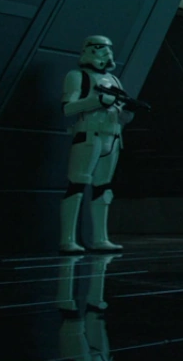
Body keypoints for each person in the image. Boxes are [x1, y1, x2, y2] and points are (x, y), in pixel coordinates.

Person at [59, 35, 133, 252]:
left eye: (109, 48)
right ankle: (68, 239)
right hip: (89, 135)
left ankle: (101, 238)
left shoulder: (114, 80)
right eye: (101, 48)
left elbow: (121, 113)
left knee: (103, 188)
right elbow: (67, 108)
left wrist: (128, 111)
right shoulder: (77, 77)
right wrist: (96, 100)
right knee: (77, 184)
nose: (107, 52)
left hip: (113, 137)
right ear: (89, 49)